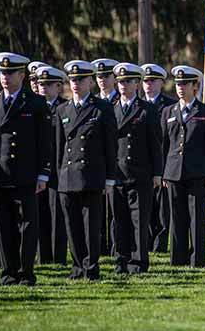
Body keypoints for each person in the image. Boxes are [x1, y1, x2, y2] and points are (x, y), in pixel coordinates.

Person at [0, 53, 51, 286]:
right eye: (2, 73)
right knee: (2, 225)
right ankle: (8, 271)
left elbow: (44, 142)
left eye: (10, 73)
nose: (4, 77)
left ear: (22, 75)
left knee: (27, 225)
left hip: (26, 174)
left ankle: (26, 272)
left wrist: (43, 173)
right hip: (0, 174)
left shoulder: (35, 103)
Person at [55, 60, 116, 281]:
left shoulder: (102, 108)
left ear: (90, 81)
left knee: (91, 226)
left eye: (80, 79)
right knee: (72, 226)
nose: (76, 84)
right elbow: (59, 149)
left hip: (91, 176)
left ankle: (91, 267)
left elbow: (111, 147)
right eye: (72, 80)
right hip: (68, 176)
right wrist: (58, 177)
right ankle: (77, 265)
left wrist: (110, 179)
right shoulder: (63, 109)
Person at [161, 65, 205, 267]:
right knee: (176, 217)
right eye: (178, 84)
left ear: (195, 86)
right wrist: (163, 173)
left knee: (197, 218)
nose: (180, 87)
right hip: (174, 172)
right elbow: (164, 144)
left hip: (197, 172)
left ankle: (198, 259)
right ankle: (178, 259)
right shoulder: (169, 111)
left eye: (185, 84)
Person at [110, 63, 162, 273]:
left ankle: (138, 261)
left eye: (127, 81)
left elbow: (155, 144)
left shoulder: (147, 109)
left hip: (141, 173)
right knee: (119, 220)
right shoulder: (111, 109)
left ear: (137, 83)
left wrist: (157, 173)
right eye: (120, 81)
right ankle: (121, 260)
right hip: (117, 173)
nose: (123, 85)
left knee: (139, 220)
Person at [34, 66, 69, 265]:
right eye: (41, 84)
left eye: (48, 85)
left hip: (57, 169)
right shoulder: (34, 106)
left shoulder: (64, 107)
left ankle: (58, 257)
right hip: (37, 169)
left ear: (58, 86)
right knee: (39, 214)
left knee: (57, 216)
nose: (43, 88)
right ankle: (43, 256)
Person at [141, 63, 176, 253]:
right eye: (145, 80)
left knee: (163, 208)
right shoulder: (138, 104)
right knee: (146, 207)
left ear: (161, 83)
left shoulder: (170, 105)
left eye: (152, 80)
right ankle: (146, 242)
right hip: (143, 164)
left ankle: (160, 244)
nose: (148, 84)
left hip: (163, 162)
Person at [92, 57, 118, 255]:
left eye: (106, 76)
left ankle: (115, 245)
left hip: (118, 161)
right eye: (99, 76)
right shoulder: (93, 102)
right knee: (98, 209)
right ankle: (100, 245)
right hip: (98, 161)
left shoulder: (120, 100)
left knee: (115, 209)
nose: (102, 80)